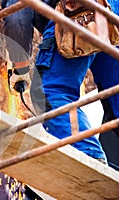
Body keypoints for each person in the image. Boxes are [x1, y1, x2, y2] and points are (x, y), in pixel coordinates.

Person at [31, 0, 119, 163]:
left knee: (51, 92)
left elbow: (16, 20)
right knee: (116, 98)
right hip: (112, 12)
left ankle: (89, 155)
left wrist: (19, 67)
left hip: (82, 11)